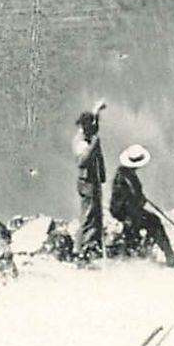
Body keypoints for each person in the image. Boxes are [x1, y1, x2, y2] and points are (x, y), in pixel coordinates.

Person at [109, 145, 174, 268]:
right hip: (127, 212)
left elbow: (133, 196)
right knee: (153, 223)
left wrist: (140, 199)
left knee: (149, 223)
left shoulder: (124, 173)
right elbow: (127, 198)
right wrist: (137, 204)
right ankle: (168, 257)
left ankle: (146, 252)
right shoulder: (126, 177)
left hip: (127, 211)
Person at [72, 101, 107, 260]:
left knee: (96, 216)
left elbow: (95, 124)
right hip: (87, 183)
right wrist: (94, 145)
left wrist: (97, 110)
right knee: (88, 217)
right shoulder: (80, 141)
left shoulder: (89, 133)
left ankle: (91, 247)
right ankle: (80, 250)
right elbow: (82, 161)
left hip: (93, 181)